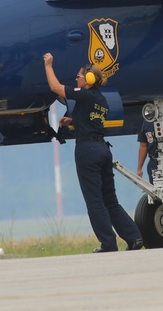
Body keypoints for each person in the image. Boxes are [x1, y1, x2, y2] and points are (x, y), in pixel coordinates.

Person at [43, 53, 143, 252]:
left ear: (88, 80)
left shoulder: (84, 94)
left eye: (79, 76)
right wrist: (72, 121)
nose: (76, 79)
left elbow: (55, 88)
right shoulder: (101, 100)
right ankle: (135, 237)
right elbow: (91, 117)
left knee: (94, 201)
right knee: (110, 200)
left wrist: (48, 65)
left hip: (87, 151)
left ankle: (108, 244)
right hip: (103, 150)